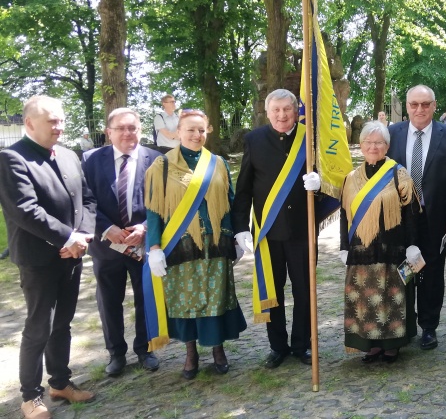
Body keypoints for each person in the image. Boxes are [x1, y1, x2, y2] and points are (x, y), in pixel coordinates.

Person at [0, 95, 97, 419]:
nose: (59, 126)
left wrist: (82, 236)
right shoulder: (12, 158)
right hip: (38, 259)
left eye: (61, 120)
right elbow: (25, 210)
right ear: (29, 124)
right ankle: (30, 396)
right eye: (51, 121)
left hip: (72, 254)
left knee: (64, 324)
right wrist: (68, 237)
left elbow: (87, 199)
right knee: (39, 327)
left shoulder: (70, 155)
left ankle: (60, 383)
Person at [144, 109, 247, 379]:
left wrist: (237, 235)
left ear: (207, 131)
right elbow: (153, 211)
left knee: (216, 298)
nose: (196, 135)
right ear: (178, 132)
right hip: (181, 245)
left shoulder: (219, 164)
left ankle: (218, 350)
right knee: (185, 300)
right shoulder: (161, 166)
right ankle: (190, 353)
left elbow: (231, 203)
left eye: (201, 130)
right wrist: (154, 248)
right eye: (190, 130)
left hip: (215, 243)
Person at [232, 89, 321, 369]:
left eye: (287, 109)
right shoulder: (254, 140)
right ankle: (277, 346)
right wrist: (240, 228)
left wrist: (320, 186)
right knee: (274, 290)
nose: (282, 115)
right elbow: (244, 189)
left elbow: (330, 178)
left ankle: (301, 344)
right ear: (267, 112)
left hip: (302, 230)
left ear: (296, 111)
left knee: (304, 290)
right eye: (276, 110)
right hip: (268, 231)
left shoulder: (310, 137)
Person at [82, 108, 162, 376]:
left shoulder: (157, 159)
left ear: (140, 130)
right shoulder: (92, 161)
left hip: (143, 243)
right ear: (109, 132)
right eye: (121, 128)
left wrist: (146, 227)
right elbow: (85, 201)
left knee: (145, 297)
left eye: (133, 128)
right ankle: (116, 353)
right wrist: (107, 228)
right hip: (107, 246)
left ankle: (145, 349)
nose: (128, 133)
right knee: (109, 300)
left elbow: (165, 203)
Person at [387, 85, 446, 351]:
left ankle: (429, 327)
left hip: (436, 220)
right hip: (399, 220)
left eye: (425, 104)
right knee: (403, 271)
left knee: (432, 273)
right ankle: (404, 323)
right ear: (407, 106)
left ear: (434, 105)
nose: (419, 109)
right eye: (414, 104)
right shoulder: (392, 134)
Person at [338, 121, 421, 363]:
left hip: (392, 250)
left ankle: (391, 344)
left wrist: (413, 244)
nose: (373, 147)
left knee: (390, 297)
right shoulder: (351, 178)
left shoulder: (399, 174)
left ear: (387, 145)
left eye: (379, 142)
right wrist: (344, 245)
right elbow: (345, 215)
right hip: (360, 251)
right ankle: (370, 344)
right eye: (368, 142)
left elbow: (412, 212)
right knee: (364, 299)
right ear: (361, 145)